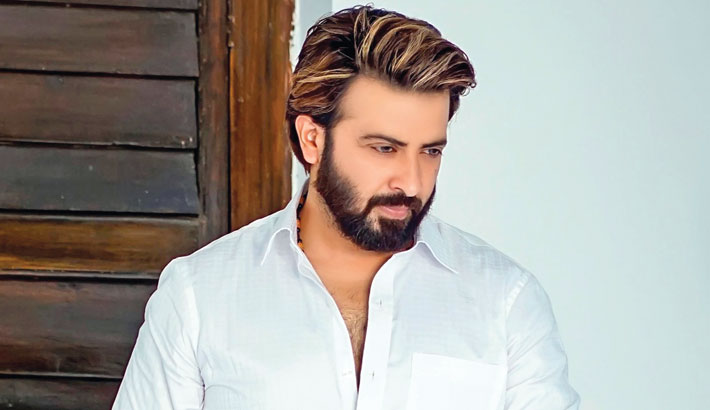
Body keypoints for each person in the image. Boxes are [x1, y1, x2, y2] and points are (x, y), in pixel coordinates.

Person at [113, 5, 580, 410]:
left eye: (431, 151)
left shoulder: (506, 302)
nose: (411, 182)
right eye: (384, 148)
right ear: (312, 139)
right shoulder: (199, 297)